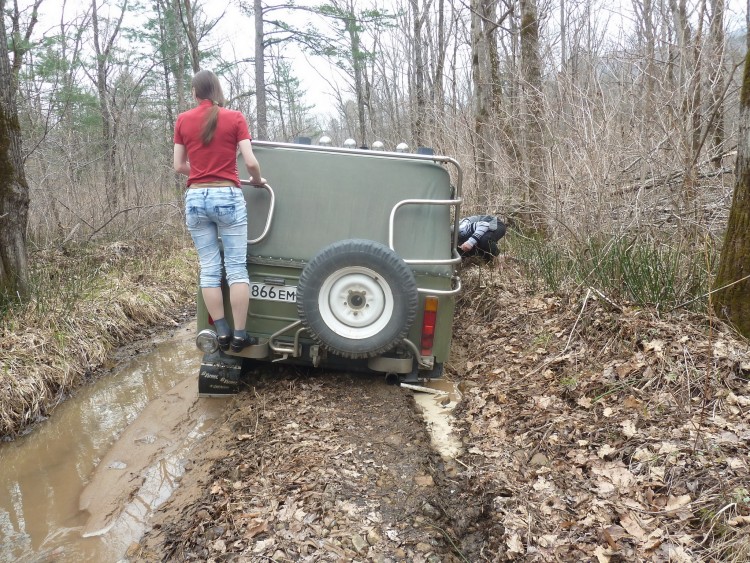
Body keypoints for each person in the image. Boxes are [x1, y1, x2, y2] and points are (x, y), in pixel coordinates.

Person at [173, 69, 266, 353]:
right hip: (226, 194)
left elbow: (178, 166)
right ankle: (240, 335)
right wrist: (258, 180)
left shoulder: (182, 120)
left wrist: (201, 171)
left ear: (194, 92)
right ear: (217, 91)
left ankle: (221, 331)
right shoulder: (234, 118)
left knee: (210, 269)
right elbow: (250, 162)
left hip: (195, 197)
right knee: (236, 268)